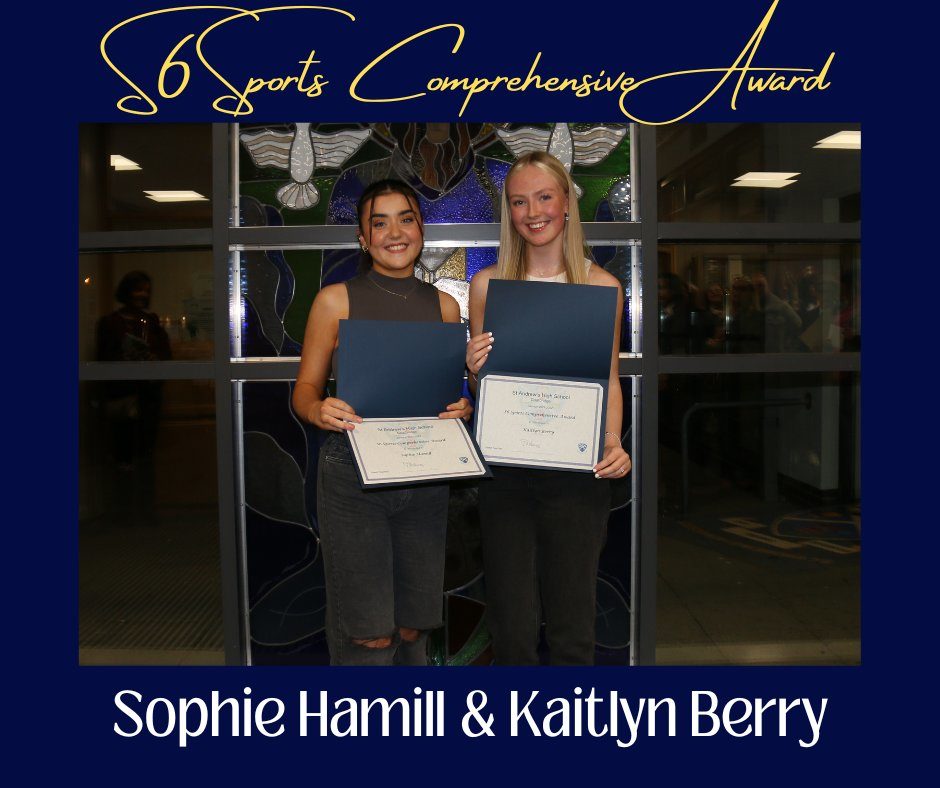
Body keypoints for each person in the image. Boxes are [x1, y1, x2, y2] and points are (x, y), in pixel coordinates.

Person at [292, 179, 472, 665]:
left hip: (425, 477)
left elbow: (447, 393)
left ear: (421, 229)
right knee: (368, 635)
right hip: (353, 479)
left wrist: (463, 408)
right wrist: (317, 409)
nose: (395, 232)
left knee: (413, 628)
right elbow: (304, 390)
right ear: (363, 238)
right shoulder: (335, 300)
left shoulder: (445, 306)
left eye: (405, 219)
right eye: (380, 222)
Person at [465, 151, 632, 665]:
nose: (532, 212)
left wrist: (613, 442)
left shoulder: (601, 287)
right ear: (509, 211)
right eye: (519, 201)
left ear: (566, 204)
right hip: (505, 474)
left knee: (572, 626)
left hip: (576, 473)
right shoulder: (488, 285)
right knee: (511, 625)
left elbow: (608, 378)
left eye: (543, 197)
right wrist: (472, 367)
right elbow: (484, 387)